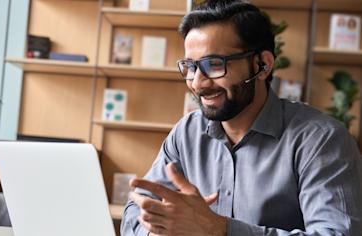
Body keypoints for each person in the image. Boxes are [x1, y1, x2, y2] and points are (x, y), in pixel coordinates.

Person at [120, 0, 362, 235]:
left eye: (214, 64)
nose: (197, 82)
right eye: (190, 67)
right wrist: (160, 231)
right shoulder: (187, 134)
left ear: (263, 65)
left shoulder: (321, 140)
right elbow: (134, 214)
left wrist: (219, 230)